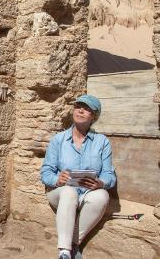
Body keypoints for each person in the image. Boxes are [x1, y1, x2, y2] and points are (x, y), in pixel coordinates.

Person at [40, 94, 116, 259]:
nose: (80, 110)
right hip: (59, 193)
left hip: (87, 193)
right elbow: (45, 172)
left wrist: (100, 183)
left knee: (102, 196)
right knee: (69, 192)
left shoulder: (102, 142)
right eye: (78, 107)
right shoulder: (58, 140)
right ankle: (64, 252)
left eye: (86, 109)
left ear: (93, 116)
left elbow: (109, 174)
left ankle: (73, 243)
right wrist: (57, 179)